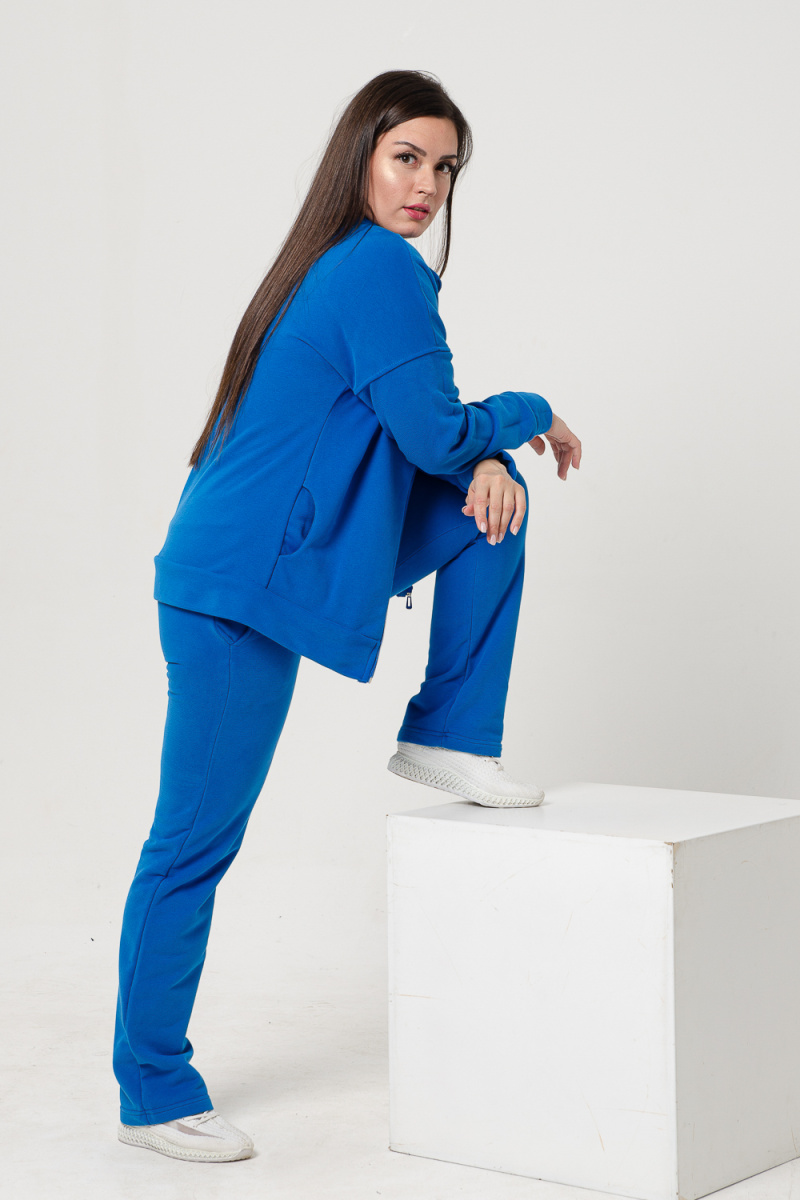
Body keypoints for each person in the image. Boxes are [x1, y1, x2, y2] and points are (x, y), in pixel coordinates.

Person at [114, 68, 582, 1164]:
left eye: (445, 168)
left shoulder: (342, 263)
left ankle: (448, 736)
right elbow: (435, 431)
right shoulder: (374, 267)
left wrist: (486, 458)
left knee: (492, 501)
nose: (427, 186)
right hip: (238, 587)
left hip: (282, 561)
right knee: (192, 843)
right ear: (360, 158)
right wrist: (533, 412)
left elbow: (420, 435)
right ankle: (151, 1091)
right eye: (406, 157)